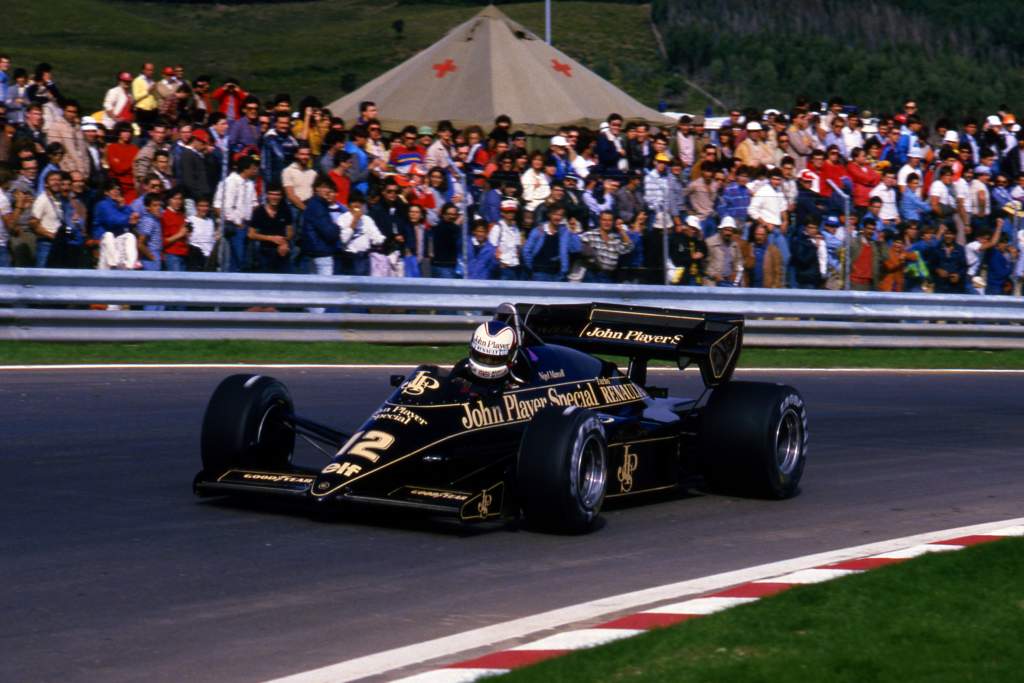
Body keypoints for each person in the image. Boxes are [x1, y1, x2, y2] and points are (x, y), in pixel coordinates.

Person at [214, 155, 259, 272]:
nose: (255, 171)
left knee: (246, 260)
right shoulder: (230, 182)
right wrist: (238, 222)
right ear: (245, 169)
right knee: (236, 258)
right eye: (253, 168)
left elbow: (254, 202)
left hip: (247, 225)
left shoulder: (250, 183)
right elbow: (226, 207)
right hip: (234, 226)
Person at [577, 210, 634, 283]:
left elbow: (629, 247)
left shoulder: (616, 238)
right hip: (593, 275)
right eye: (604, 220)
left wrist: (621, 230)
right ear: (600, 221)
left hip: (609, 277)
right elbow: (579, 243)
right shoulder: (590, 234)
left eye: (609, 220)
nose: (607, 223)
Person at [337, 193, 384, 276]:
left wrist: (380, 240)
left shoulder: (367, 219)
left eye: (360, 202)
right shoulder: (342, 218)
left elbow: (376, 237)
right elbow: (343, 239)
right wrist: (355, 221)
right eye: (354, 202)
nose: (357, 204)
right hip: (349, 257)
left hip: (364, 257)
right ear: (348, 205)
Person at [523, 205, 574, 281]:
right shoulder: (538, 230)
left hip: (558, 274)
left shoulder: (564, 232)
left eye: (560, 215)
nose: (558, 217)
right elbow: (526, 250)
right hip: (540, 273)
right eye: (555, 214)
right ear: (549, 215)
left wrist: (573, 232)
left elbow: (576, 248)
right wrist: (531, 267)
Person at [489, 198, 522, 280]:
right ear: (502, 213)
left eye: (512, 212)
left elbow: (517, 246)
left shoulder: (516, 228)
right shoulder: (497, 227)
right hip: (502, 268)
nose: (511, 214)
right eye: (508, 212)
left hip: (515, 266)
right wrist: (499, 263)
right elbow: (491, 248)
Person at [430, 202, 462, 279]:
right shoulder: (441, 227)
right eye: (449, 214)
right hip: (443, 267)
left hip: (451, 266)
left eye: (454, 214)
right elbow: (452, 228)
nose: (452, 216)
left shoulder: (453, 227)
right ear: (443, 215)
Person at [161, 188, 190, 272]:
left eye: (180, 199)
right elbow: (163, 241)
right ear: (169, 200)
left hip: (183, 253)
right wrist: (180, 234)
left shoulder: (181, 215)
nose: (178, 201)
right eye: (175, 199)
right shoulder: (165, 216)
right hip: (172, 254)